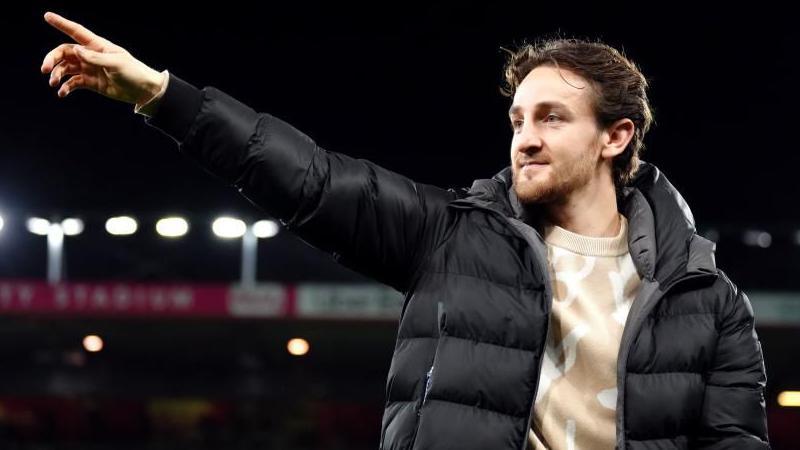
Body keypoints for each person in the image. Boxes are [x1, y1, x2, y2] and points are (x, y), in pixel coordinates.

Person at [40, 11, 770, 450]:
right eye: (517, 119)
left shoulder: (709, 302)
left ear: (615, 137)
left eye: (551, 118)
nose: (524, 138)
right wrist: (163, 96)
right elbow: (312, 178)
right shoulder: (452, 237)